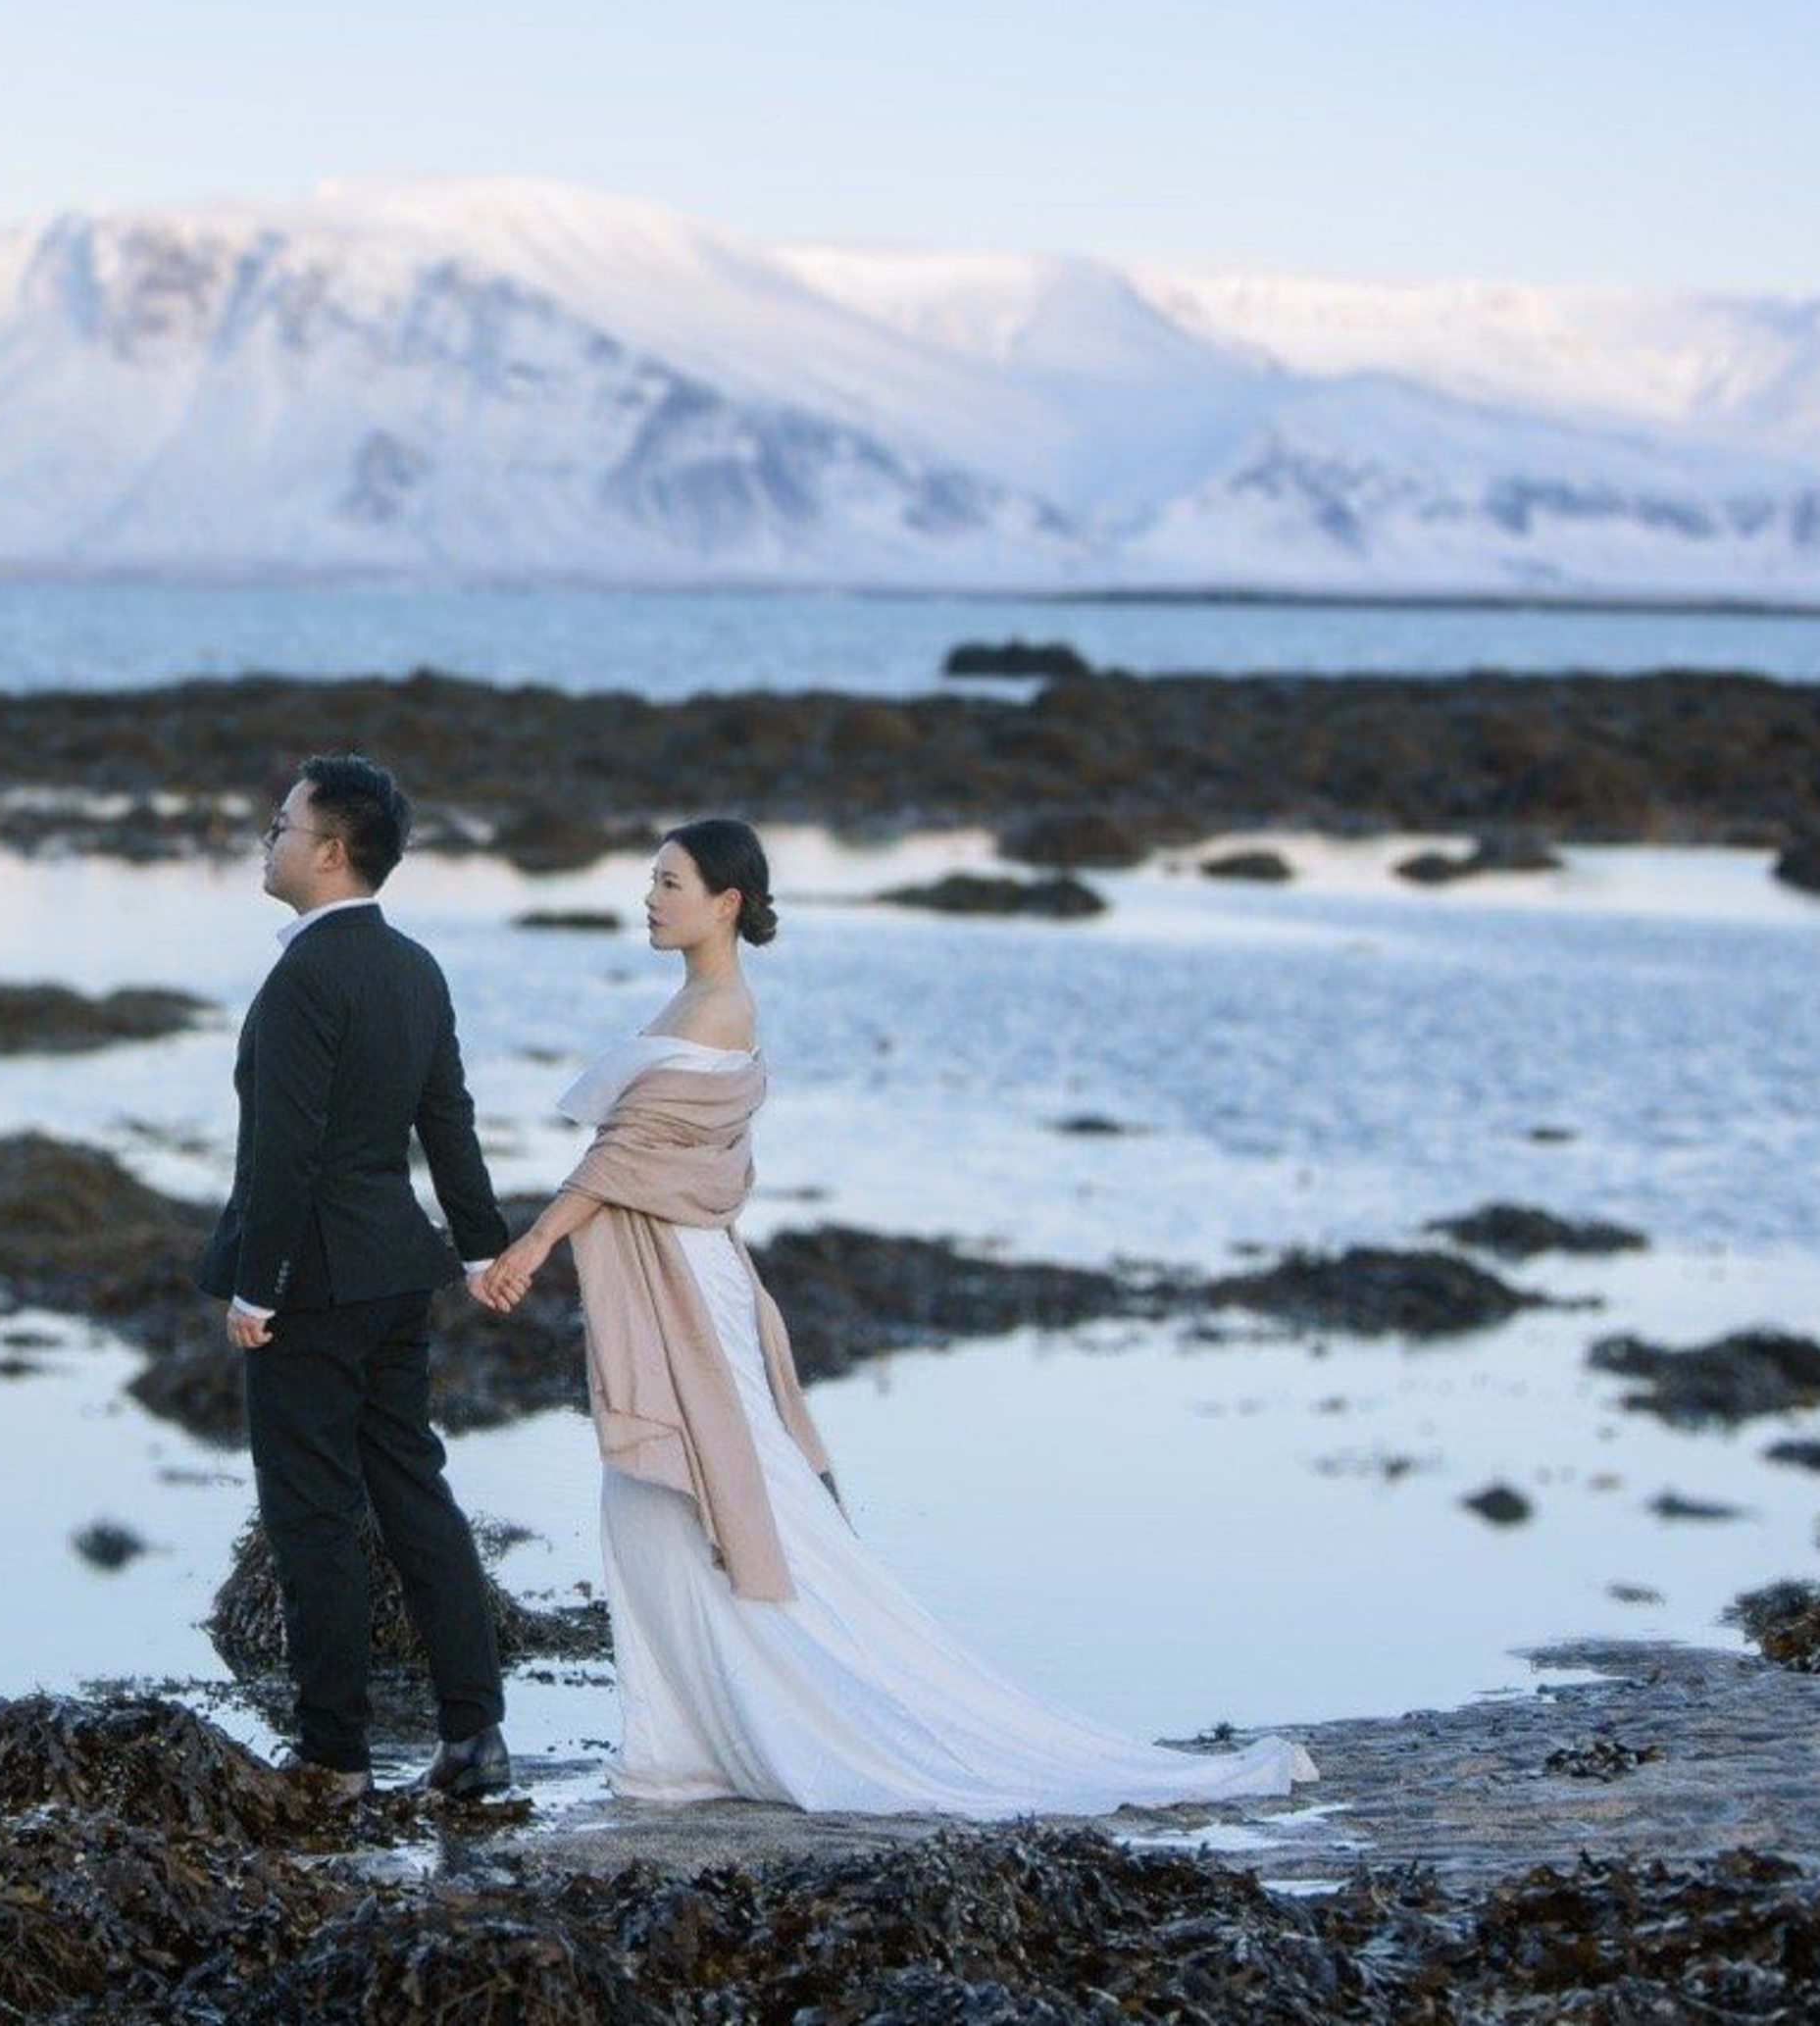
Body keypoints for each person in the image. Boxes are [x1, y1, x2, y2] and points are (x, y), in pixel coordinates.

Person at [471, 817, 1317, 1815]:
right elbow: (640, 1160)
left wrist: (531, 1246)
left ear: (725, 901)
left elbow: (624, 1163)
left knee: (722, 1492)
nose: (649, 899)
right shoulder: (692, 999)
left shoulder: (716, 1011)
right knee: (661, 1499)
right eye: (651, 881)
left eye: (668, 882)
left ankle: (782, 1716)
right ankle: (689, 1742)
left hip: (696, 1287)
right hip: (687, 1271)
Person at [195, 752, 517, 1803]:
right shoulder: (413, 968)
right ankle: (476, 1735)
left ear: (330, 852)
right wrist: (480, 1246)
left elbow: (283, 1156)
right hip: (394, 1274)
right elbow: (448, 1120)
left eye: (282, 824)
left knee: (311, 1517)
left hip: (314, 1285)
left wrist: (256, 1287)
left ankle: (332, 1755)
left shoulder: (303, 981)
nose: (268, 839)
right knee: (414, 1491)